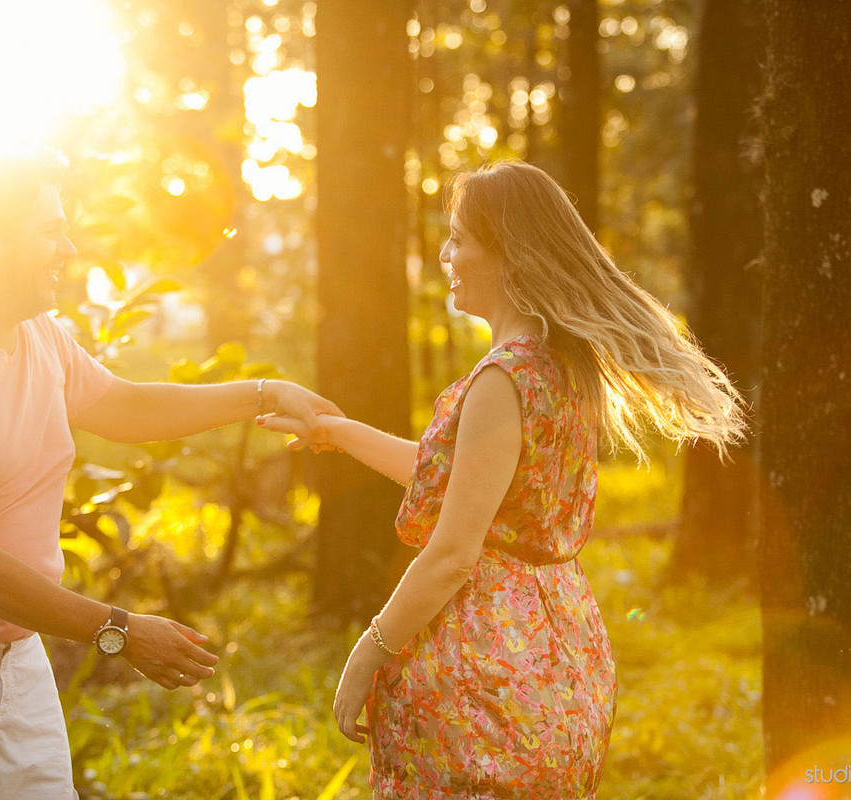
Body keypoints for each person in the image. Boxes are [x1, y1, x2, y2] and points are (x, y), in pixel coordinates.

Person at [0, 152, 340, 799]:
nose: (67, 248)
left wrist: (265, 393)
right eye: (49, 230)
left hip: (16, 654)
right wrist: (120, 632)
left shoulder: (39, 334)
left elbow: (123, 406)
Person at [258, 160, 746, 799]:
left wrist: (369, 651)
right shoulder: (563, 366)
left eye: (459, 237)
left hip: (486, 662)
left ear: (508, 253)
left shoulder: (502, 379)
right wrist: (337, 432)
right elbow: (468, 483)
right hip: (557, 644)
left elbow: (455, 553)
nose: (446, 254)